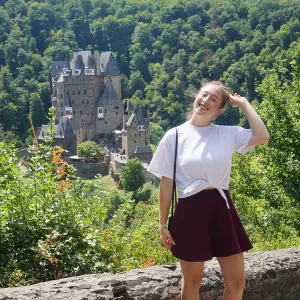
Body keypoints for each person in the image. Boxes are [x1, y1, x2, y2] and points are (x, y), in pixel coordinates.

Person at [147, 81, 270, 300]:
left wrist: (243, 104)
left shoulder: (227, 134)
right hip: (190, 209)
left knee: (237, 282)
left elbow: (263, 136)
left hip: (222, 207)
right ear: (196, 97)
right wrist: (162, 225)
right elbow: (166, 184)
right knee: (192, 283)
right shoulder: (174, 136)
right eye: (203, 95)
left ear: (219, 110)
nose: (205, 101)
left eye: (213, 99)